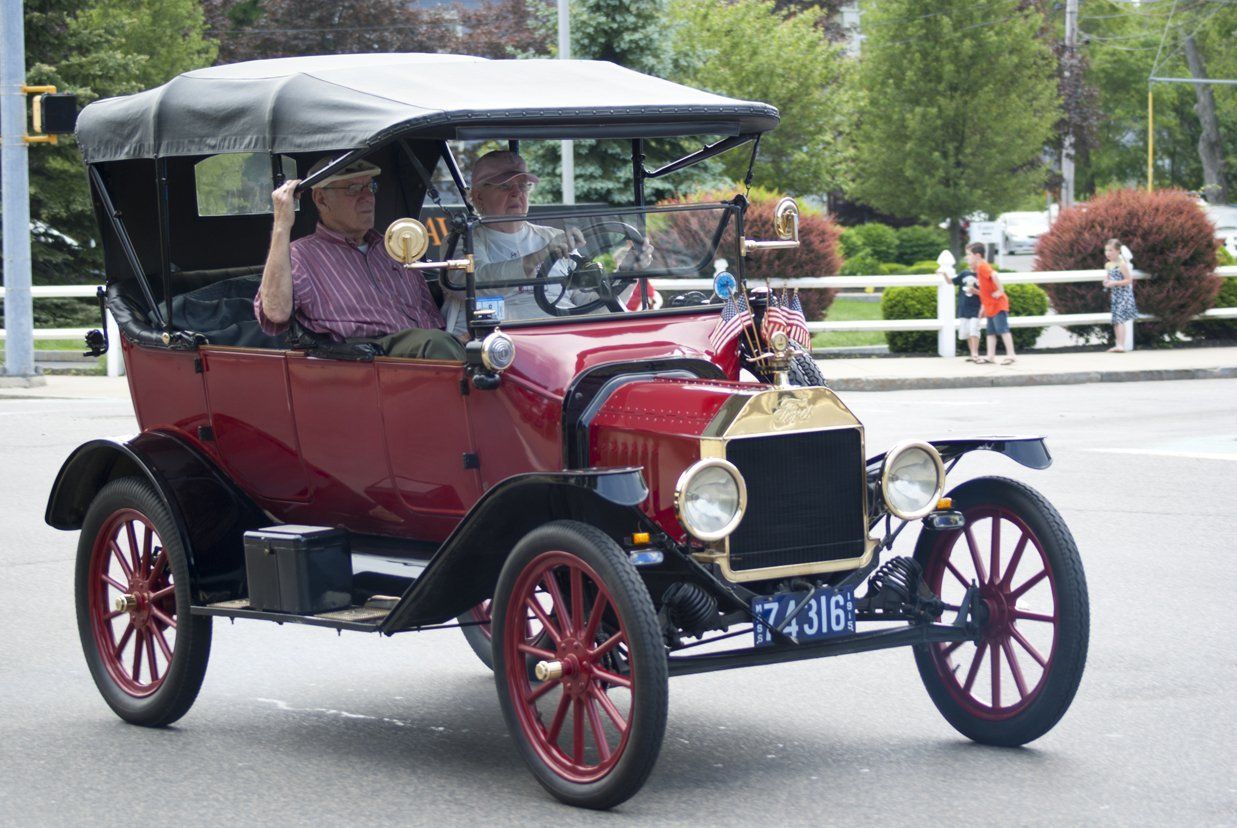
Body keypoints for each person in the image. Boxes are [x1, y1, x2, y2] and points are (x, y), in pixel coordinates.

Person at [255, 157, 463, 360]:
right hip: (365, 358)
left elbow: (431, 316)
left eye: (370, 187)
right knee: (436, 343)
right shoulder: (301, 255)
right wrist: (282, 225)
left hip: (424, 351)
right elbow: (276, 312)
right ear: (321, 199)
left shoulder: (394, 246)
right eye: (353, 189)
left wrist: (462, 341)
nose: (368, 197)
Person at [441, 150, 653, 335]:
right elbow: (474, 285)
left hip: (562, 339)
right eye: (505, 186)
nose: (516, 193)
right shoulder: (463, 240)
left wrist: (629, 274)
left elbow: (591, 308)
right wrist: (538, 257)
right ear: (478, 196)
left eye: (523, 186)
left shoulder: (552, 237)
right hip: (496, 342)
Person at [966, 242, 1016, 365]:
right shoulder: (979, 268)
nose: (967, 257)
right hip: (990, 306)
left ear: (977, 255)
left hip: (998, 305)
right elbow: (986, 291)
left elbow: (994, 274)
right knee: (990, 332)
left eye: (969, 255)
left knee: (1003, 330)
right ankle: (990, 356)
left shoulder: (982, 266)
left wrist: (1000, 290)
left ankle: (1011, 355)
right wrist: (983, 307)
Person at [1102, 238, 1137, 352]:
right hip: (1115, 295)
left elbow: (1128, 280)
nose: (1108, 253)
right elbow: (1108, 277)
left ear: (1118, 251)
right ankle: (1118, 344)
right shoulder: (1108, 265)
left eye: (1110, 250)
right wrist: (1106, 282)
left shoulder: (1122, 264)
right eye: (1106, 250)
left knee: (1120, 319)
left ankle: (1121, 345)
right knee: (1116, 320)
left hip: (1124, 295)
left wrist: (1115, 283)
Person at [944, 266, 982, 361]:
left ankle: (975, 353)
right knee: (968, 332)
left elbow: (987, 293)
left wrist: (976, 292)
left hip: (976, 307)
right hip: (964, 307)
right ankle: (972, 353)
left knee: (974, 330)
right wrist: (944, 273)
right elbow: (950, 281)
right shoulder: (964, 273)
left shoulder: (982, 275)